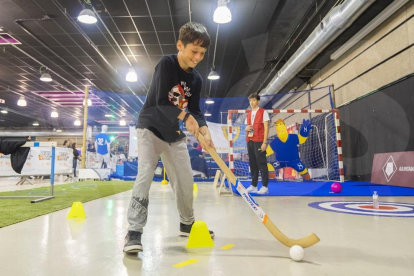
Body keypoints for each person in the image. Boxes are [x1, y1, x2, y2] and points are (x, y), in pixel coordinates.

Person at [124, 22, 215, 254]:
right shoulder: (166, 64)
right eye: (194, 51)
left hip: (173, 134)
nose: (197, 57)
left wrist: (203, 128)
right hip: (150, 128)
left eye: (202, 53)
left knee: (185, 178)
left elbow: (195, 110)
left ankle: (187, 223)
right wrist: (186, 117)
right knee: (145, 173)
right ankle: (134, 231)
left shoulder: (196, 80)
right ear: (180, 45)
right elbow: (160, 102)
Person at [245, 93, 270, 195]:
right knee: (253, 164)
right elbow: (247, 127)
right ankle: (254, 185)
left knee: (261, 163)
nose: (252, 102)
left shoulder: (263, 112)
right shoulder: (249, 114)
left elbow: (266, 128)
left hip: (259, 140)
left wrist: (264, 142)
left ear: (258, 101)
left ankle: (264, 186)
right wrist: (246, 128)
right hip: (250, 140)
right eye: (250, 100)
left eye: (254, 100)